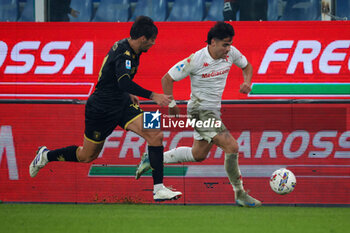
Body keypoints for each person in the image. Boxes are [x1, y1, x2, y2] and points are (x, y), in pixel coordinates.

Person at [29, 16, 182, 202]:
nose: (153, 43)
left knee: (155, 134)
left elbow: (119, 81)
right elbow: (123, 81)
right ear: (143, 38)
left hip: (123, 103)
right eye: (151, 40)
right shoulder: (125, 53)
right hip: (101, 109)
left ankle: (158, 189)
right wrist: (153, 95)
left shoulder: (130, 48)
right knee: (87, 156)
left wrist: (126, 93)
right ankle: (45, 156)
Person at [135, 21, 261, 207]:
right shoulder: (195, 60)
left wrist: (247, 82)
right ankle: (240, 193)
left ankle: (154, 158)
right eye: (225, 44)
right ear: (212, 42)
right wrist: (171, 103)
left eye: (230, 44)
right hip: (199, 112)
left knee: (198, 154)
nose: (229, 49)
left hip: (213, 112)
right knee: (231, 147)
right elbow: (167, 78)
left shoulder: (231, 53)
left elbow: (247, 66)